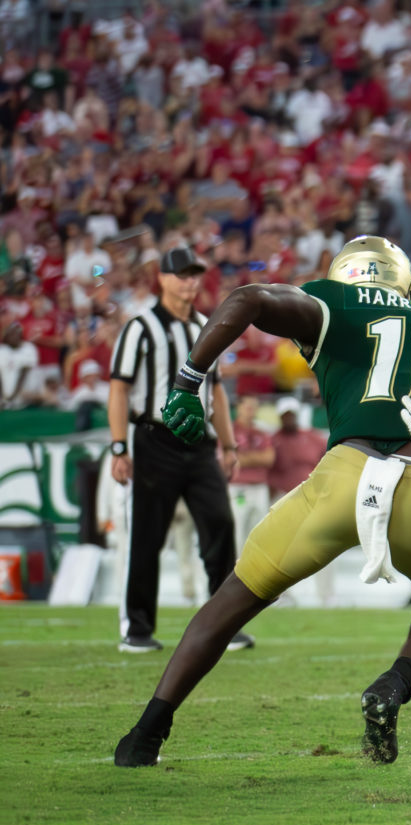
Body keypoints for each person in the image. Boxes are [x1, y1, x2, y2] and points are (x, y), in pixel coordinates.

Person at [113, 239, 411, 769]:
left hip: (340, 478)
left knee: (233, 601)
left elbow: (246, 298)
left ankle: (147, 732)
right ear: (405, 280)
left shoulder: (336, 302)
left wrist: (187, 381)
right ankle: (395, 681)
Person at [106, 245, 241, 656]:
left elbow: (215, 389)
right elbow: (118, 388)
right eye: (181, 274)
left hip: (199, 443)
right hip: (154, 438)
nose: (190, 281)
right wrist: (118, 446)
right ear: (161, 279)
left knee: (220, 526)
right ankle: (138, 627)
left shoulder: (205, 325)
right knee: (147, 535)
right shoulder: (140, 327)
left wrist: (229, 444)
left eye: (194, 274)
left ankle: (224, 625)